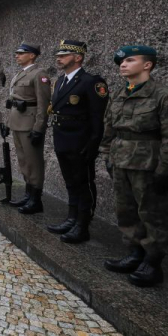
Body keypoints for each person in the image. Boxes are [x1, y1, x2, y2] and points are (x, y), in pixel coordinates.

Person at [101, 45, 168, 287]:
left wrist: (164, 168)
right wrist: (107, 156)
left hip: (147, 162)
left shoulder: (161, 94)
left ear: (147, 65)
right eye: (121, 61)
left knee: (151, 213)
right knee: (125, 210)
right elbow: (109, 128)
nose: (123, 64)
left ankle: (153, 261)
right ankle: (134, 253)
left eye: (130, 60)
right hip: (120, 160)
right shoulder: (119, 93)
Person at [46, 41, 109, 244]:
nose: (59, 57)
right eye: (58, 54)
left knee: (84, 184)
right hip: (62, 139)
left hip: (80, 141)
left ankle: (83, 224)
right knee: (70, 182)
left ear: (78, 57)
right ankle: (71, 217)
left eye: (64, 54)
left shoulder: (91, 82)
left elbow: (97, 117)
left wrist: (93, 144)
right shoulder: (60, 81)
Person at [6, 43, 52, 214]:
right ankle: (28, 194)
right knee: (24, 160)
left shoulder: (39, 74)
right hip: (17, 122)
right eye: (16, 53)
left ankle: (36, 199)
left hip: (30, 124)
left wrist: (39, 128)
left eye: (21, 53)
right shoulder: (20, 73)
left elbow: (43, 104)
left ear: (32, 55)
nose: (17, 56)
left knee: (34, 162)